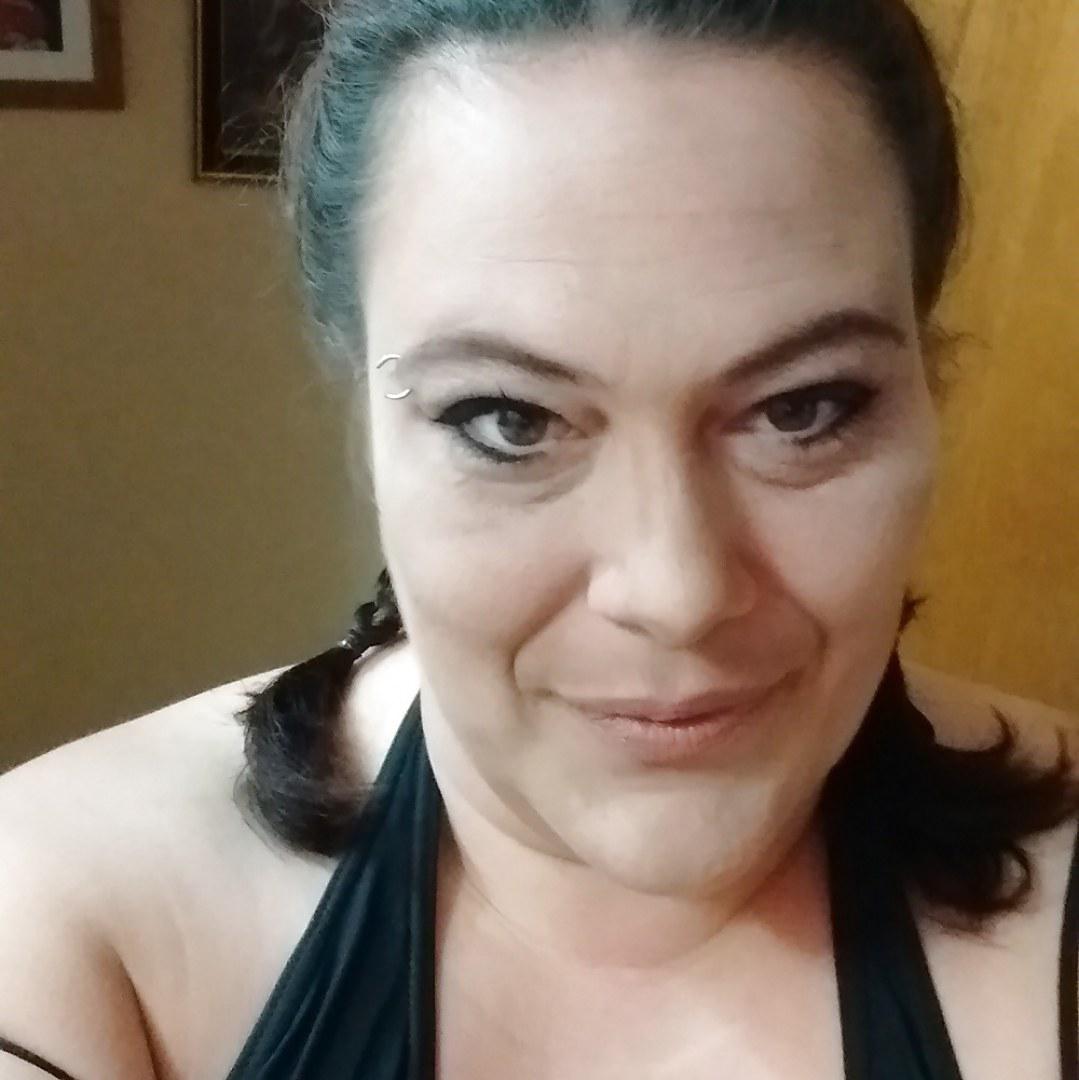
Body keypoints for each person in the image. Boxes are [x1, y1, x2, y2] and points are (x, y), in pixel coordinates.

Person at [2, 1, 1077, 1077]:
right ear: (363, 417)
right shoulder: (73, 920)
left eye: (802, 409)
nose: (675, 591)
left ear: (927, 390)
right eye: (509, 420)